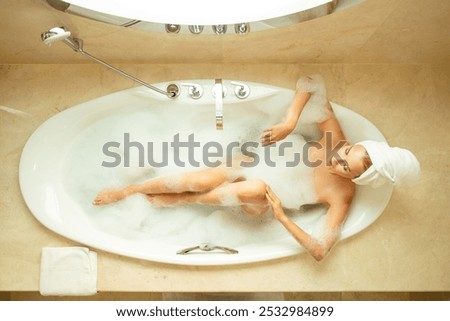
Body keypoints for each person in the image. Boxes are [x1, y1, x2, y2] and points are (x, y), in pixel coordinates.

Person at [93, 75, 420, 261]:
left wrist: (281, 215)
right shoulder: (336, 141)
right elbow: (312, 82)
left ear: (358, 178)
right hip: (253, 159)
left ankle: (181, 201)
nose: (336, 156)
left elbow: (320, 249)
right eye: (347, 150)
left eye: (344, 165)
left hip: (259, 201)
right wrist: (290, 122)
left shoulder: (342, 197)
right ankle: (130, 189)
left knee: (254, 188)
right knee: (205, 177)